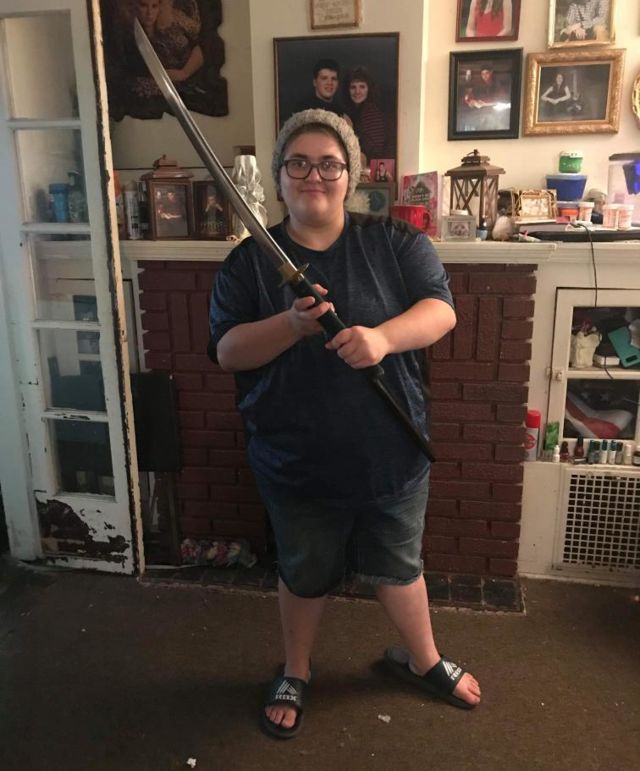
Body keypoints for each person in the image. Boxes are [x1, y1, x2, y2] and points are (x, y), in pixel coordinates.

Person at [209, 109, 481, 740]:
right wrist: (291, 326)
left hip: (390, 448)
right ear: (279, 176)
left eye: (329, 164)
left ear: (350, 176)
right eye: (299, 163)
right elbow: (228, 352)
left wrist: (382, 338)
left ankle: (424, 659)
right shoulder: (247, 263)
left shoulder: (396, 242)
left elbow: (441, 311)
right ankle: (296, 670)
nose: (314, 176)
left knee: (400, 564)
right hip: (293, 457)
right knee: (304, 571)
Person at [344, 65, 389, 165]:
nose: (357, 91)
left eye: (362, 87)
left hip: (374, 167)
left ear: (369, 89)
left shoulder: (371, 112)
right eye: (353, 87)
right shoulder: (355, 111)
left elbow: (377, 151)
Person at [461, 64, 510, 131]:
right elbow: (470, 96)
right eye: (482, 74)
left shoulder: (497, 84)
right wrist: (471, 101)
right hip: (481, 112)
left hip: (494, 112)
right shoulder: (479, 85)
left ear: (491, 73)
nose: (484, 76)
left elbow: (502, 101)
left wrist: (485, 104)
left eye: (486, 73)